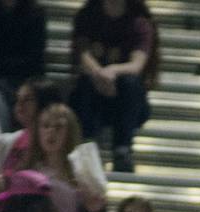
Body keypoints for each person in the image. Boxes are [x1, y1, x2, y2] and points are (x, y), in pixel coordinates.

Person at [66, 0, 158, 172]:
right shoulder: (86, 17)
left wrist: (111, 72)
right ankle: (88, 147)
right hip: (91, 94)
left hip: (123, 97)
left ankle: (122, 149)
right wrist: (99, 75)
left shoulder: (140, 23)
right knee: (87, 82)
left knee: (130, 82)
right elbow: (83, 55)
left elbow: (136, 65)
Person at [20, 102, 107, 212]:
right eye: (45, 126)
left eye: (58, 127)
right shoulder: (27, 171)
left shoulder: (84, 172)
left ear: (70, 132)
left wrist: (95, 210)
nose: (51, 131)